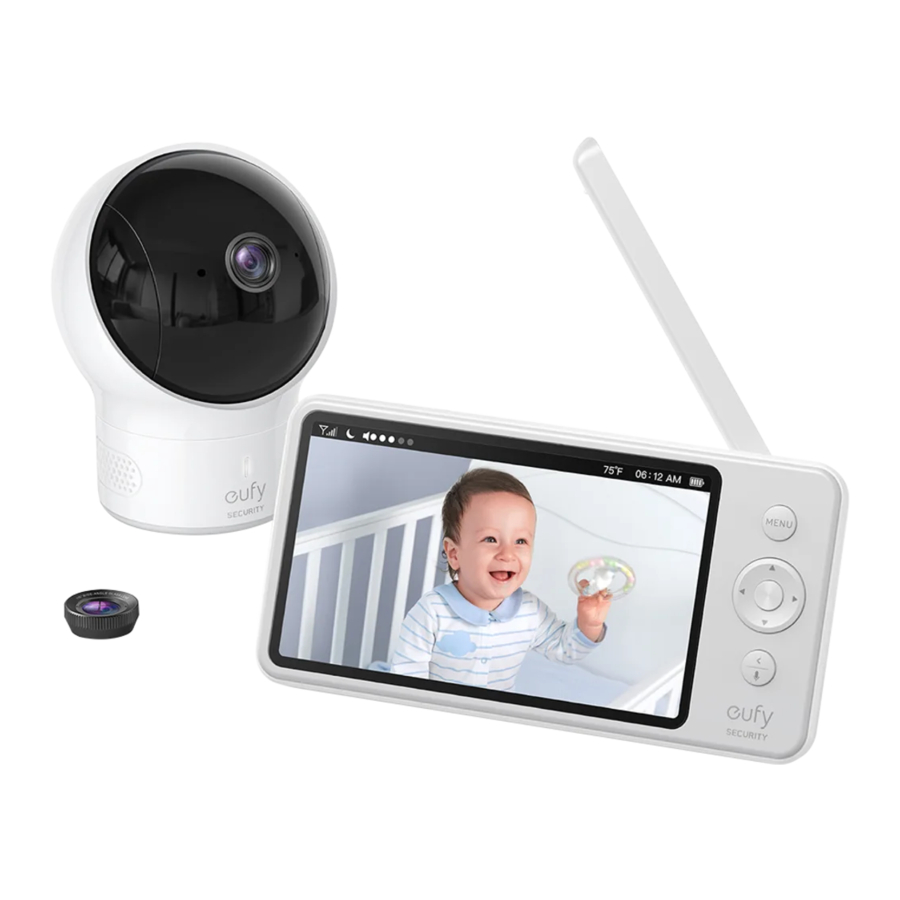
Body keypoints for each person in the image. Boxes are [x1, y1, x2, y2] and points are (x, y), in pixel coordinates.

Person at [390, 468, 611, 690]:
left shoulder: (530, 611)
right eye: (490, 539)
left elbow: (565, 650)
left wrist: (589, 624)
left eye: (520, 541)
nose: (507, 554)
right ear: (455, 554)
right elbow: (407, 675)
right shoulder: (431, 612)